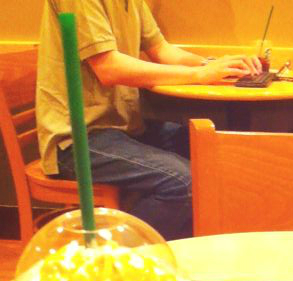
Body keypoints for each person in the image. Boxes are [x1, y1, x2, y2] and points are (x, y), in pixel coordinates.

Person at [36, 0, 261, 240]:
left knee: (213, 152)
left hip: (122, 129)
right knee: (184, 184)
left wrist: (215, 65)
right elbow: (109, 68)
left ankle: (190, 250)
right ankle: (111, 256)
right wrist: (199, 74)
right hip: (77, 139)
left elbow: (161, 50)